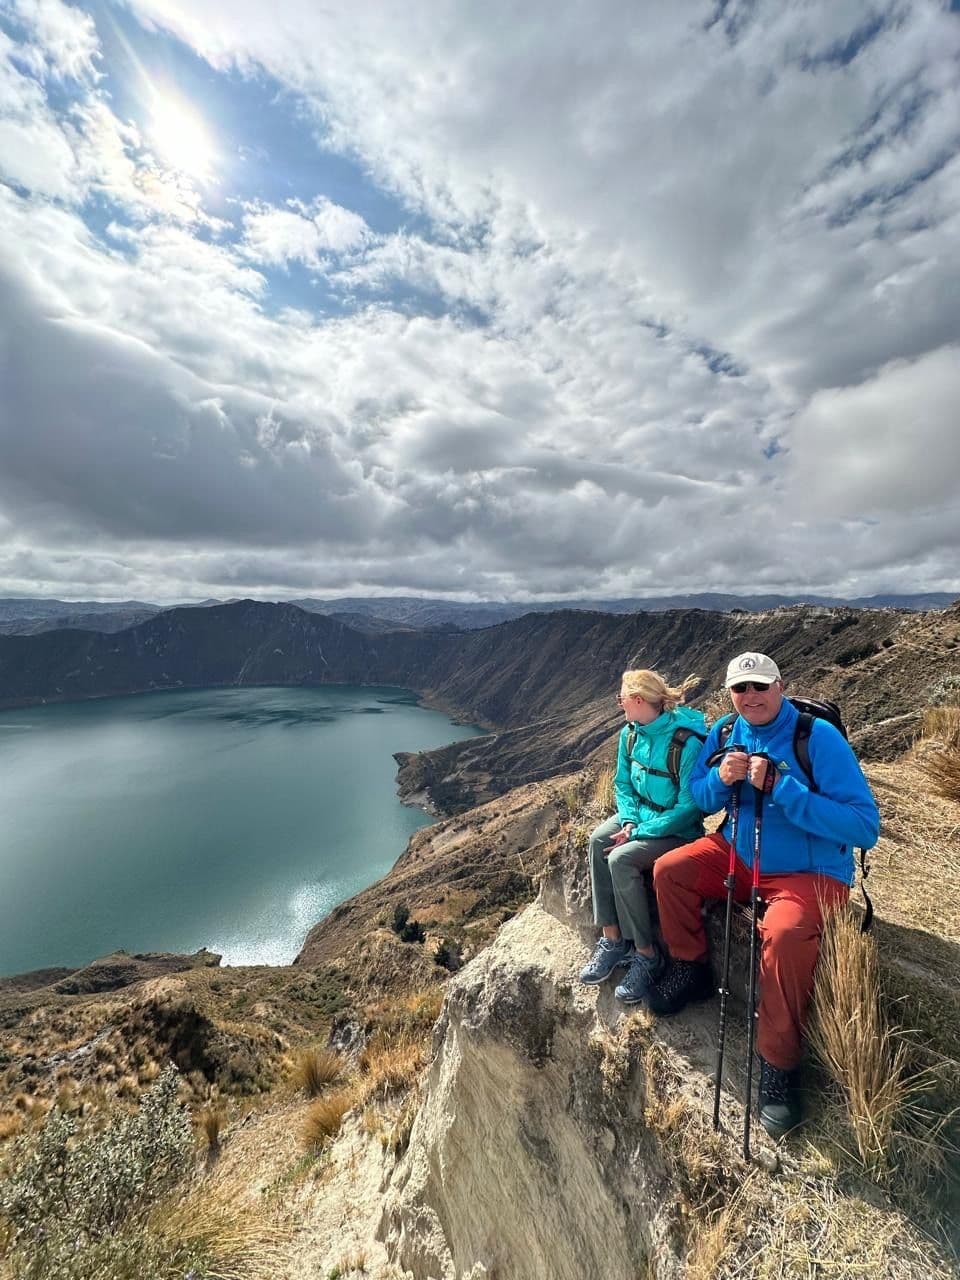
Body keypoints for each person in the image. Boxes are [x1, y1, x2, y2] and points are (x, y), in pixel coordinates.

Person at [646, 652, 880, 1137]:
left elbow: (864, 826)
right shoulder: (728, 731)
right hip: (739, 852)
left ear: (780, 685)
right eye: (740, 689)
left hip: (809, 870)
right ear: (730, 694)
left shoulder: (817, 738)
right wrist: (720, 778)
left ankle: (778, 1066)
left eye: (760, 686)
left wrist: (782, 788)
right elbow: (704, 797)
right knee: (670, 871)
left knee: (787, 934)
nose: (750, 697)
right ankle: (689, 968)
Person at [579, 669, 706, 1003]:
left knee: (621, 859)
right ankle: (613, 939)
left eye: (621, 698)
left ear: (637, 700)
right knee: (597, 840)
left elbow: (690, 808)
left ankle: (648, 955)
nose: (619, 704)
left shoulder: (686, 742)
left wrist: (641, 831)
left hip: (676, 829)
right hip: (639, 818)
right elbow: (622, 783)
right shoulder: (630, 733)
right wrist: (631, 822)